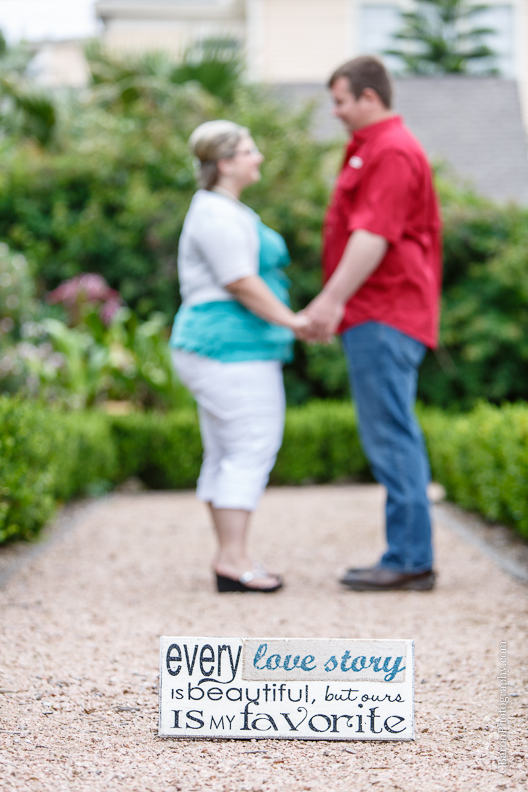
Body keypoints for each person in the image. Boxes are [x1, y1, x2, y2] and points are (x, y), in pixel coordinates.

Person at [299, 56, 442, 591]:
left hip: (384, 312)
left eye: (339, 101)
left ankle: (409, 559)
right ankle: (407, 553)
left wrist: (329, 302)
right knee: (390, 431)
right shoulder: (372, 150)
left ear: (369, 98)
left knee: (390, 434)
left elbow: (373, 237)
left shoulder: (391, 151)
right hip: (378, 312)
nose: (334, 112)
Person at [170, 120, 308, 593]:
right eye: (250, 151)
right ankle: (233, 559)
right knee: (251, 446)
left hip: (232, 347)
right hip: (228, 348)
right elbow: (240, 281)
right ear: (225, 163)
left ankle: (232, 555)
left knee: (229, 450)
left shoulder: (224, 209)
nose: (259, 158)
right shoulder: (215, 214)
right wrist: (294, 321)